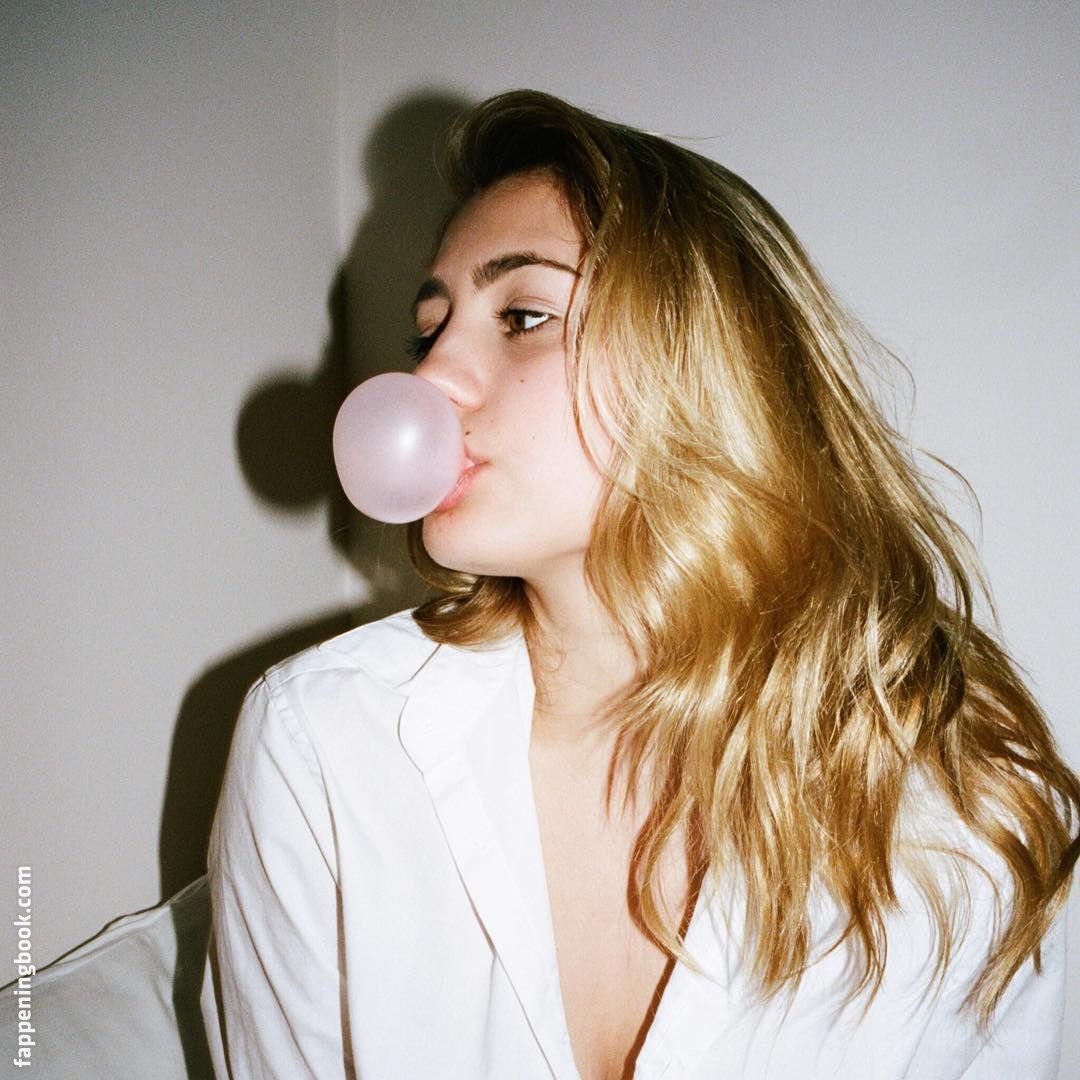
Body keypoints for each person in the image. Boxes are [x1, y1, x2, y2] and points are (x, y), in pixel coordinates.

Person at [199, 90, 1079, 1080]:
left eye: (523, 316)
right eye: (427, 332)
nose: (430, 376)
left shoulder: (955, 795)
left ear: (706, 364)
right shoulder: (320, 744)